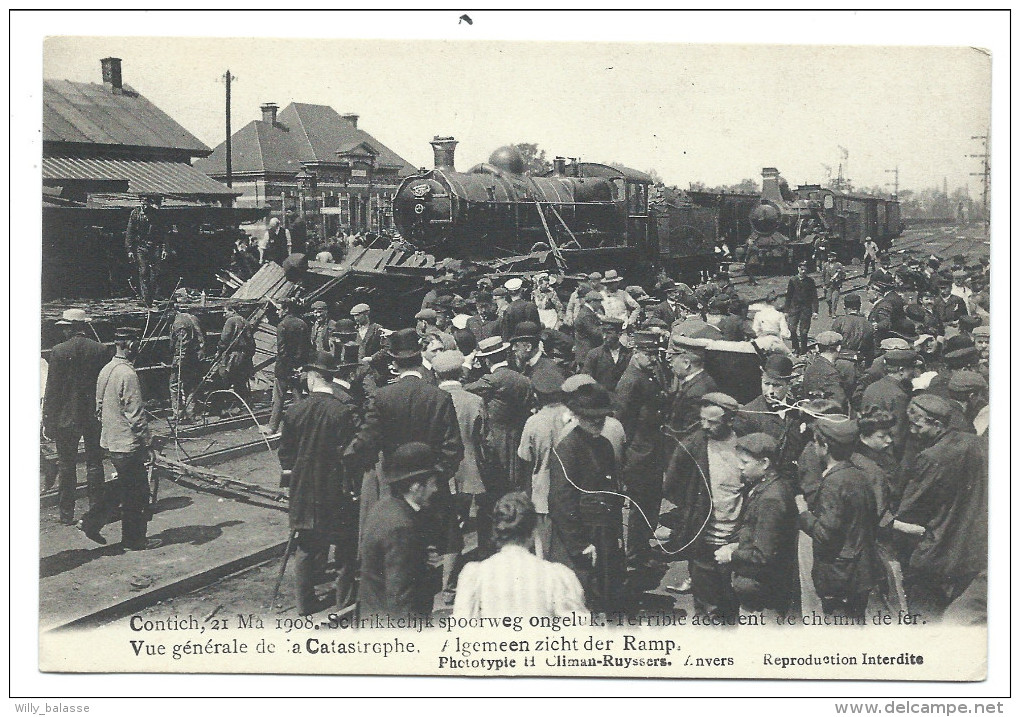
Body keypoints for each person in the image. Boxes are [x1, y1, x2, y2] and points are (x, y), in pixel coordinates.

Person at [347, 328, 465, 586]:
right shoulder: (439, 397)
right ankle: (444, 588)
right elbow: (454, 448)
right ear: (419, 359)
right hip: (431, 485)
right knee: (443, 539)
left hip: (395, 486)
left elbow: (365, 443)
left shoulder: (382, 397)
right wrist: (435, 478)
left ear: (393, 364)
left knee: (397, 542)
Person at [892, 394, 987, 621]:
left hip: (937, 551)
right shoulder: (977, 443)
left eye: (917, 426)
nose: (913, 432)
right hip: (974, 549)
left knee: (926, 616)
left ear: (937, 424)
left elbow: (911, 509)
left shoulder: (931, 457)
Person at [277, 351, 358, 615]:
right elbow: (349, 453)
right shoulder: (341, 411)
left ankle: (304, 603)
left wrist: (291, 480)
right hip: (334, 488)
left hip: (302, 488)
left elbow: (285, 454)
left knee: (306, 545)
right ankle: (344, 600)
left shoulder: (294, 410)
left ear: (312, 378)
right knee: (344, 545)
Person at [659, 393, 744, 621]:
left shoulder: (744, 443)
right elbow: (670, 485)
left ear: (729, 421)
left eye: (712, 422)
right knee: (706, 606)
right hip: (702, 536)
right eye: (702, 419)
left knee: (733, 601)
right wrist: (691, 507)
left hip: (735, 538)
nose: (705, 426)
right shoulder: (693, 445)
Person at [80, 327, 161, 550]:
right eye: (138, 343)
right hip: (128, 443)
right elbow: (135, 415)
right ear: (131, 345)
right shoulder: (128, 374)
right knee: (138, 494)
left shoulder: (107, 369)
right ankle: (134, 540)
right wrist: (148, 442)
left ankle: (90, 522)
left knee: (124, 486)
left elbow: (98, 408)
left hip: (112, 440)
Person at [548, 382, 625, 613]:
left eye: (601, 418)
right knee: (580, 597)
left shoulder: (604, 445)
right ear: (578, 417)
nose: (597, 422)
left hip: (604, 533)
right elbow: (561, 501)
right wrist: (579, 544)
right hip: (581, 535)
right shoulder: (568, 448)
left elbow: (612, 492)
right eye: (591, 418)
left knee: (605, 592)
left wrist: (616, 534)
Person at [795, 417, 881, 620]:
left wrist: (803, 512)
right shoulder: (859, 474)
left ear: (824, 447)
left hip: (840, 574)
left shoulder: (834, 482)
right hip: (861, 571)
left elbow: (825, 534)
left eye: (816, 442)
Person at [453, 492, 586, 618]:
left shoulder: (475, 575)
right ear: (534, 532)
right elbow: (579, 632)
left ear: (496, 532)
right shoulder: (558, 576)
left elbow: (461, 630)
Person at [715, 433, 798, 619]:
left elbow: (764, 555)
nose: (739, 466)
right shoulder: (768, 486)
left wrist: (731, 554)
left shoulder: (771, 499)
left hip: (763, 592)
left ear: (765, 463)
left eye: (745, 462)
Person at [43, 309, 112, 525]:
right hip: (93, 416)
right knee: (94, 463)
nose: (63, 331)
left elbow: (52, 390)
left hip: (66, 418)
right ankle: (96, 510)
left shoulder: (58, 351)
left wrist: (48, 420)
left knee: (66, 465)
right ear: (84, 327)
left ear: (71, 328)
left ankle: (66, 514)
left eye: (65, 327)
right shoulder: (100, 350)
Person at [358, 442, 442, 619]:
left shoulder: (383, 507)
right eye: (432, 484)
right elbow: (401, 598)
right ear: (415, 487)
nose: (435, 489)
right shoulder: (402, 528)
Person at [613, 331, 671, 566]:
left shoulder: (646, 373)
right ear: (636, 353)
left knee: (651, 502)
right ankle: (636, 555)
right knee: (640, 506)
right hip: (638, 454)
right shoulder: (630, 380)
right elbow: (622, 421)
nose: (654, 358)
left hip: (652, 450)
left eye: (656, 354)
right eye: (649, 354)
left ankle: (643, 547)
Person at [434, 349, 490, 570]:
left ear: (438, 375)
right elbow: (484, 437)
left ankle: (447, 570)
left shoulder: (431, 397)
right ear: (461, 374)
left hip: (440, 470)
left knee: (446, 522)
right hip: (469, 470)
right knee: (461, 518)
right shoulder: (474, 400)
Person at [465, 336, 533, 494]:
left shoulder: (491, 380)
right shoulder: (523, 379)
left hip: (496, 440)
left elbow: (463, 388)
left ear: (487, 361)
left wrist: (467, 365)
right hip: (519, 434)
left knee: (498, 483)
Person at [516, 370, 569, 559]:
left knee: (544, 551)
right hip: (570, 494)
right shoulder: (572, 417)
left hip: (542, 495)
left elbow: (525, 457)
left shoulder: (534, 422)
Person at [264, 298, 310, 436]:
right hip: (299, 368)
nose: (278, 312)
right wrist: (298, 366)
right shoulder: (303, 324)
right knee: (298, 398)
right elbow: (306, 347)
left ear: (286, 309)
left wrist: (288, 368)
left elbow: (282, 351)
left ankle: (272, 427)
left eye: (280, 309)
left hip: (284, 369)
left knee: (278, 398)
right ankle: (305, 427)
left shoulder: (282, 325)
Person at [860, 349, 916, 459]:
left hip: (868, 447)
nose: (914, 373)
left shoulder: (872, 387)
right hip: (887, 453)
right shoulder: (899, 395)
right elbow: (898, 434)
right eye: (912, 369)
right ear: (901, 370)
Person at [168, 289, 206, 423]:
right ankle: (192, 413)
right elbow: (201, 338)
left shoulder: (179, 323)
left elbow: (182, 345)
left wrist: (178, 361)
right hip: (194, 357)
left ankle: (178, 414)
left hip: (184, 359)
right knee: (190, 385)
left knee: (175, 385)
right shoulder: (192, 317)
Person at [125, 194, 168, 307]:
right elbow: (130, 233)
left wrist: (164, 248)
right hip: (141, 246)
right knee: (143, 271)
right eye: (142, 202)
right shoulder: (135, 214)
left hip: (154, 246)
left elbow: (163, 233)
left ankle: (152, 296)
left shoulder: (156, 214)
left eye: (147, 203)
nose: (144, 205)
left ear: (150, 203)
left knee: (155, 273)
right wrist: (129, 250)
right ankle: (146, 299)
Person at [666, 344, 718, 435]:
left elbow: (689, 431)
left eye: (673, 360)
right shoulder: (700, 381)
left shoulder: (697, 391)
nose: (671, 364)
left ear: (686, 363)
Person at [216, 300, 255, 411]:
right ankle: (242, 406)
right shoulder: (246, 322)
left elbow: (224, 339)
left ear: (232, 311)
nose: (224, 315)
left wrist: (219, 351)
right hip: (244, 356)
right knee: (240, 381)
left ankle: (226, 407)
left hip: (233, 356)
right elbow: (252, 343)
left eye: (225, 312)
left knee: (226, 379)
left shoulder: (231, 321)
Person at [582, 316, 632, 393]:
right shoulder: (594, 354)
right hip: (601, 399)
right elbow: (586, 381)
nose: (604, 337)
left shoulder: (628, 355)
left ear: (619, 334)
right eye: (603, 332)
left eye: (609, 333)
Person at [802, 331, 848, 409]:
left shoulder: (811, 366)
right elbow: (839, 401)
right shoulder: (831, 373)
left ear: (817, 348)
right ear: (838, 348)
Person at [831, 293, 875, 368]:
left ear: (845, 307)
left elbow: (832, 341)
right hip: (859, 361)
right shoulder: (867, 324)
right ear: (859, 307)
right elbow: (870, 348)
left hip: (841, 359)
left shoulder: (840, 321)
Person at [784, 260, 818, 354]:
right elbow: (788, 296)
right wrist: (786, 310)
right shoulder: (793, 280)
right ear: (798, 269)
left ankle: (803, 349)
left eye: (805, 270)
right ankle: (795, 347)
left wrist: (815, 311)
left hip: (806, 309)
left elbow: (814, 296)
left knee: (804, 331)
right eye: (802, 269)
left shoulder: (810, 281)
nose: (803, 272)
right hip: (794, 308)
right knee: (792, 329)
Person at [572, 290, 605, 368]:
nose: (600, 305)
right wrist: (606, 328)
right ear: (592, 302)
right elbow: (595, 332)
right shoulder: (586, 315)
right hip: (586, 351)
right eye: (599, 302)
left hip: (586, 350)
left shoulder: (587, 312)